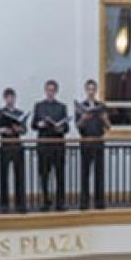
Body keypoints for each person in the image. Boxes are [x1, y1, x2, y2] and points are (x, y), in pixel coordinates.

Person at [33, 79, 69, 211]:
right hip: (44, 145)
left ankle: (60, 202)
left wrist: (61, 128)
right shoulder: (39, 106)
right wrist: (39, 124)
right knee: (44, 174)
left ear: (56, 92)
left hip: (58, 145)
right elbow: (33, 124)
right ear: (45, 91)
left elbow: (66, 127)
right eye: (48, 90)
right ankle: (45, 201)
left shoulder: (61, 107)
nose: (50, 93)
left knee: (60, 174)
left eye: (53, 90)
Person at [76, 79, 110, 210]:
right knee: (85, 173)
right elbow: (77, 126)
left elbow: (108, 126)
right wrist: (84, 119)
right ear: (86, 90)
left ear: (96, 90)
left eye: (93, 89)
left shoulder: (101, 106)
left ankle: (99, 202)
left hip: (98, 140)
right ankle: (84, 202)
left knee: (99, 173)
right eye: (88, 89)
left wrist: (104, 118)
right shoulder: (81, 106)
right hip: (85, 141)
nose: (91, 92)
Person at [0, 87, 28, 213]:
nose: (10, 100)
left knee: (19, 175)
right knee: (4, 175)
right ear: (4, 99)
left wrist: (19, 129)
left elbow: (24, 130)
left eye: (12, 97)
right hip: (5, 145)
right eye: (7, 97)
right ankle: (4, 203)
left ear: (14, 98)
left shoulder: (19, 113)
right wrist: (2, 130)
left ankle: (20, 202)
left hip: (17, 145)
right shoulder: (0, 113)